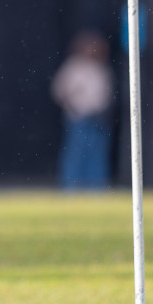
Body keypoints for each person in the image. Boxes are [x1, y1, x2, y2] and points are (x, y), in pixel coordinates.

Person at [52, 30, 114, 190]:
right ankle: (70, 189)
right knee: (76, 154)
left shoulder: (101, 68)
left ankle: (96, 190)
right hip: (79, 117)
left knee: (97, 155)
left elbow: (105, 93)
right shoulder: (74, 67)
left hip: (98, 118)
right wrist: (73, 108)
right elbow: (60, 91)